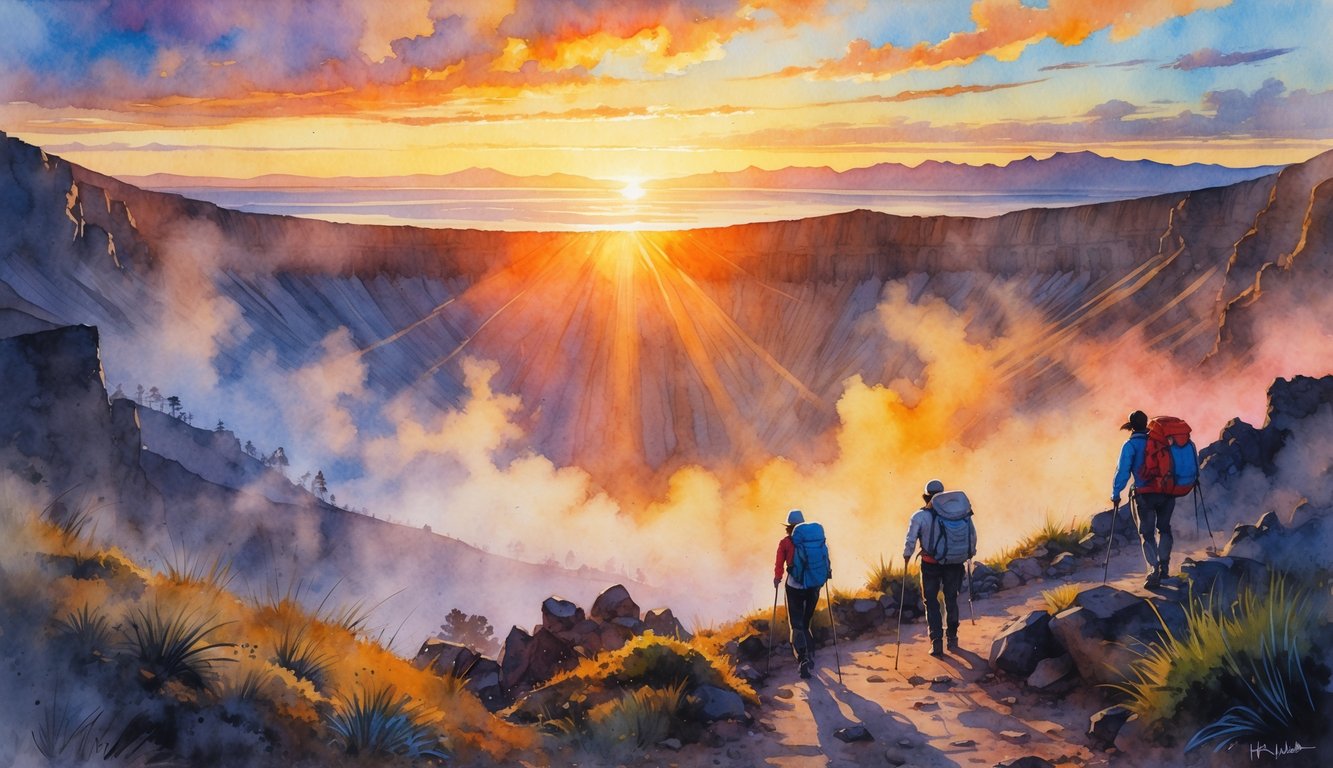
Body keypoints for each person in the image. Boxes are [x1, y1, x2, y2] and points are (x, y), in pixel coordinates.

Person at [903, 479, 975, 657]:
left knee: (931, 601)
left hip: (930, 564)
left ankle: (936, 643)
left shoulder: (919, 516)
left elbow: (910, 540)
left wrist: (907, 555)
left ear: (925, 496)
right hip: (954, 563)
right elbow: (972, 535)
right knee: (951, 598)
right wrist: (969, 553)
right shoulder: (960, 513)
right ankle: (953, 638)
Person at [1112, 409, 1175, 589]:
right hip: (1166, 492)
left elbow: (1122, 472)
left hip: (1144, 495)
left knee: (1147, 534)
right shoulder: (1159, 441)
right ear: (1146, 423)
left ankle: (1153, 570)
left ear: (1131, 425)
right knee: (1164, 528)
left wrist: (1116, 494)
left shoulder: (1130, 445)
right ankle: (1165, 567)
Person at [774, 509, 827, 679]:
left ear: (788, 527)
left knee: (795, 624)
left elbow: (778, 564)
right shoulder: (814, 541)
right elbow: (825, 560)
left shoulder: (785, 543)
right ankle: (811, 654)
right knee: (806, 622)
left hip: (794, 587)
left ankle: (802, 657)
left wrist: (777, 578)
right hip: (813, 586)